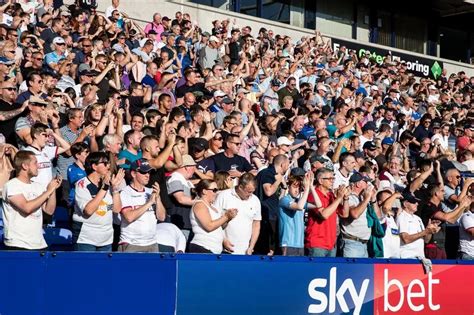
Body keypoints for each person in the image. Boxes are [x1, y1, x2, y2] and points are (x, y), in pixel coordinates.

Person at [2, 151, 61, 250]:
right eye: (35, 163)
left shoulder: (37, 186)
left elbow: (49, 210)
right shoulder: (12, 185)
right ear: (25, 166)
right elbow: (27, 208)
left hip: (38, 243)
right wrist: (49, 191)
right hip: (18, 243)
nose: (38, 166)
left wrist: (53, 189)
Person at [73, 152, 125, 251]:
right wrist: (104, 188)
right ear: (94, 166)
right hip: (86, 239)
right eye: (105, 163)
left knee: (104, 267)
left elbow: (116, 210)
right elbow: (88, 211)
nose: (109, 166)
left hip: (106, 239)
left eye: (109, 163)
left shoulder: (109, 184)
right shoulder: (82, 184)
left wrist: (115, 189)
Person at [119, 159, 166, 253]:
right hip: (131, 244)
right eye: (144, 172)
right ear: (133, 174)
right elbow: (129, 217)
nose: (147, 175)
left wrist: (158, 199)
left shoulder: (151, 191)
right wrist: (149, 203)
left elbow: (162, 217)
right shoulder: (125, 192)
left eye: (149, 172)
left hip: (152, 244)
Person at [306, 168, 350, 257]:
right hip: (317, 244)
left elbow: (345, 214)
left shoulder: (331, 196)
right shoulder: (313, 195)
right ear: (321, 181)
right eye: (330, 179)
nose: (332, 181)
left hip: (331, 244)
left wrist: (345, 198)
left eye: (333, 179)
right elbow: (324, 215)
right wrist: (338, 198)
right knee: (316, 271)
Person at [214, 173, 261, 255]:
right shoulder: (223, 196)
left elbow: (256, 224)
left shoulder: (255, 200)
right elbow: (214, 220)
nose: (250, 195)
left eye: (252, 192)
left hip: (245, 251)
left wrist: (251, 246)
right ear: (240, 187)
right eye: (249, 192)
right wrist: (223, 240)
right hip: (224, 250)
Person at [189, 179, 237, 254]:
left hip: (215, 249)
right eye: (214, 190)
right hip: (202, 247)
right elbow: (209, 226)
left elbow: (220, 227)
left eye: (217, 190)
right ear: (204, 191)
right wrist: (226, 217)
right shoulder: (200, 205)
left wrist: (228, 218)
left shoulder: (214, 207)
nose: (216, 193)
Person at [255, 154, 290, 255]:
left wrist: (283, 187)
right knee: (266, 249)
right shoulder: (268, 173)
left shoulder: (274, 175)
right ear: (282, 164)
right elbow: (268, 191)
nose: (287, 168)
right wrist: (278, 180)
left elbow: (278, 199)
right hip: (266, 216)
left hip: (273, 214)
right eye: (287, 165)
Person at [279, 172, 316, 256]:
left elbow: (318, 205)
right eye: (294, 187)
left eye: (299, 187)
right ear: (288, 187)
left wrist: (311, 187)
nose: (297, 190)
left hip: (300, 245)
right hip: (288, 244)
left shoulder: (300, 201)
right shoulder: (284, 200)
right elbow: (299, 207)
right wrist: (306, 189)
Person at [397, 192, 440, 259]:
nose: (417, 204)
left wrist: (430, 231)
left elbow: (426, 240)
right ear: (405, 204)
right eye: (413, 202)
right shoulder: (402, 217)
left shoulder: (418, 218)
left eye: (417, 202)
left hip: (420, 257)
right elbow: (406, 239)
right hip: (407, 257)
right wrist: (425, 232)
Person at [166, 154, 196, 240]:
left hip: (186, 223)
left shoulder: (186, 181)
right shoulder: (175, 178)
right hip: (179, 224)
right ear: (187, 167)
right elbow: (181, 199)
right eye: (193, 167)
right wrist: (201, 202)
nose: (194, 170)